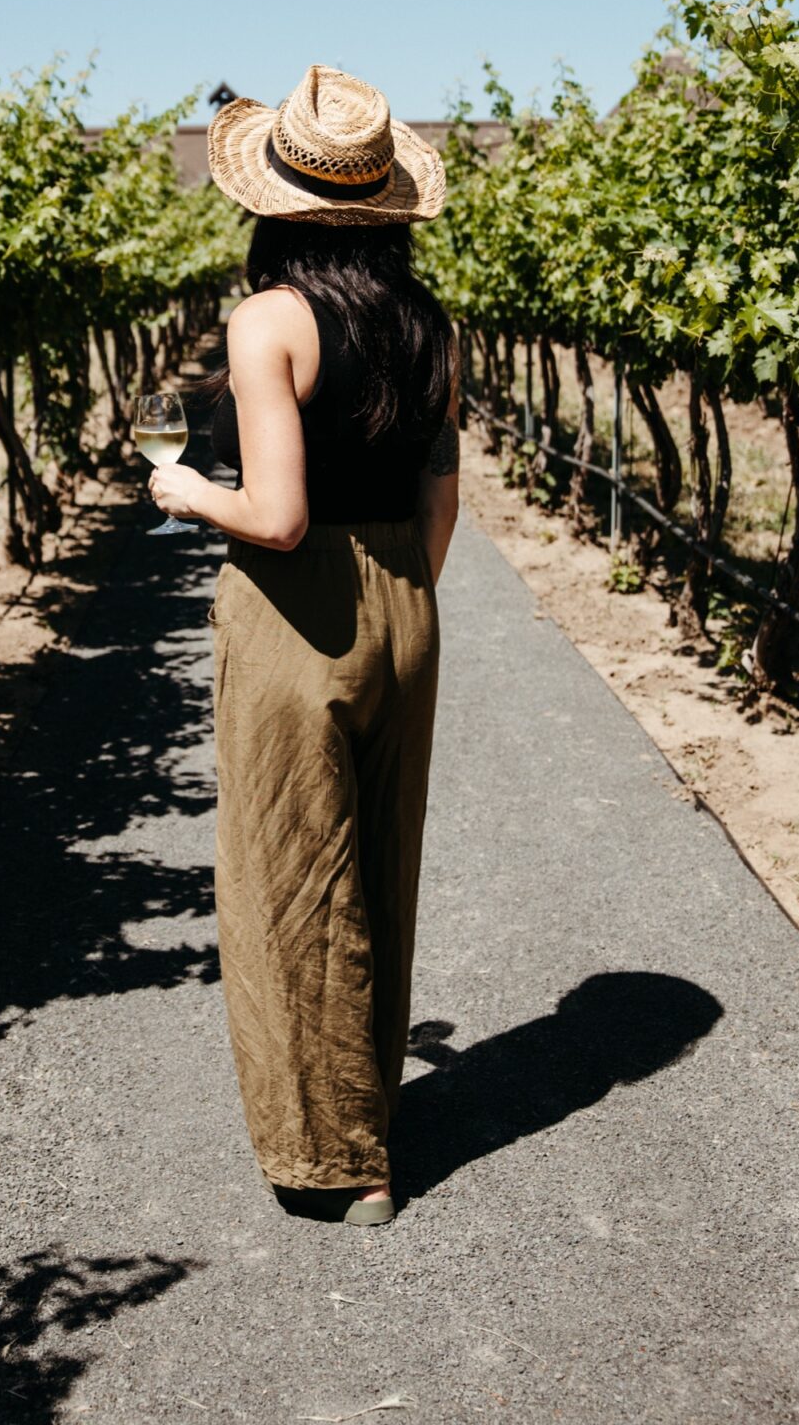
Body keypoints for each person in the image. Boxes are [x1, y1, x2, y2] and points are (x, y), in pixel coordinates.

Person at [147, 63, 459, 1227]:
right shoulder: (433, 326)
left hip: (296, 610)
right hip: (406, 605)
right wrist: (400, 605)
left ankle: (342, 1160)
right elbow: (440, 498)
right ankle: (367, 1109)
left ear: (272, 202)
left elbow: (273, 513)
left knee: (294, 879)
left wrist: (182, 490)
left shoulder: (268, 320)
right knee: (381, 865)